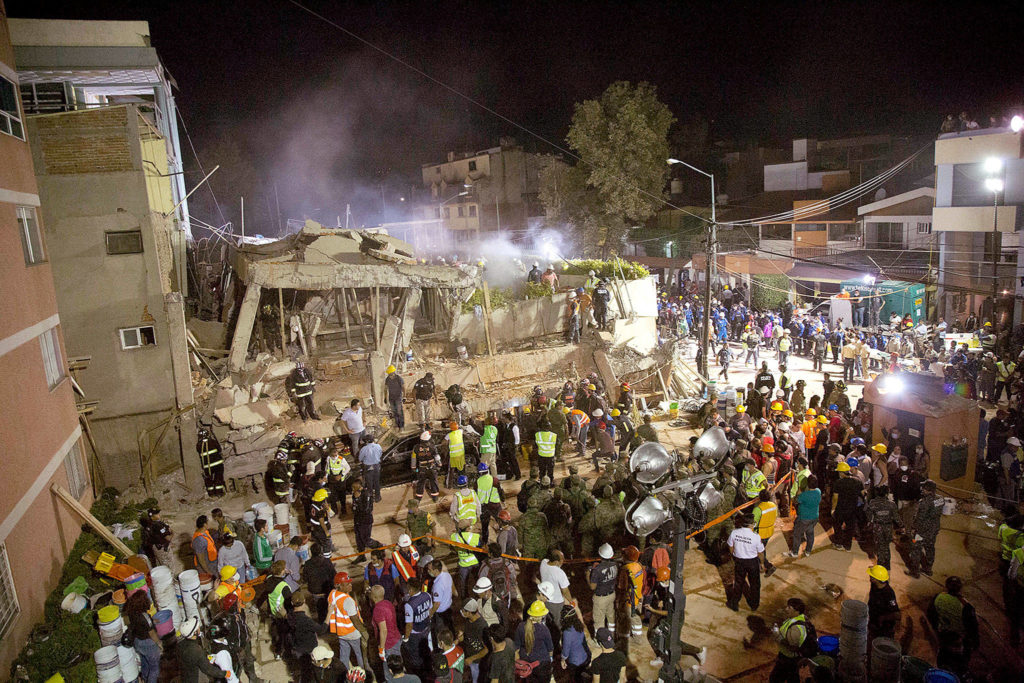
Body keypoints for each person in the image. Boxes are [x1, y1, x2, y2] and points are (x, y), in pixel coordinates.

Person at [927, 576, 979, 676]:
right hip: (959, 639)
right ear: (960, 588)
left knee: (943, 658)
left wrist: (937, 627)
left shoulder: (938, 597)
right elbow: (973, 626)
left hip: (943, 634)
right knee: (960, 664)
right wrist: (975, 642)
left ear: (946, 586)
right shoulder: (965, 606)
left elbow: (931, 614)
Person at [769, 598, 815, 683]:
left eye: (789, 608)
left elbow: (792, 647)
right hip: (792, 658)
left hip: (788, 658)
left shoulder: (796, 629)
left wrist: (777, 635)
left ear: (796, 611)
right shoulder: (798, 618)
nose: (786, 609)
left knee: (774, 679)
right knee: (792, 677)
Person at [327, 572, 367, 670]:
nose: (350, 585)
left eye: (350, 583)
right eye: (347, 584)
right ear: (338, 585)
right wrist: (364, 631)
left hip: (340, 632)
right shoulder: (347, 601)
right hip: (352, 632)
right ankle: (363, 673)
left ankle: (343, 674)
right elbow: (355, 620)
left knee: (344, 655)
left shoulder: (332, 594)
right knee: (360, 654)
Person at [726, 513, 764, 611]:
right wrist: (762, 563)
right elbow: (760, 552)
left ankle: (734, 603)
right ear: (751, 524)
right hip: (752, 562)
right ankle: (754, 605)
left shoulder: (734, 533)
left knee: (738, 582)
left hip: (739, 561)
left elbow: (730, 546)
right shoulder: (755, 536)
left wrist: (734, 555)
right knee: (755, 584)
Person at [907, 479, 944, 578]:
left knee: (916, 548)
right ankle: (928, 569)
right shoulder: (941, 499)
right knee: (930, 547)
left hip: (921, 531)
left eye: (924, 488)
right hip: (934, 529)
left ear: (929, 490)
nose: (922, 489)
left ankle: (915, 571)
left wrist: (914, 529)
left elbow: (920, 518)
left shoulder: (924, 502)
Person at [290, 591, 330, 680]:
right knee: (309, 673)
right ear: (304, 601)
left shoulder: (289, 616)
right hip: (308, 650)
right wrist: (329, 614)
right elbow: (321, 630)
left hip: (297, 648)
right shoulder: (306, 620)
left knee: (303, 669)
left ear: (292, 603)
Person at [178, 616, 229, 683]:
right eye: (198, 627)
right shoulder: (195, 650)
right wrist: (224, 674)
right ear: (195, 633)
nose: (199, 628)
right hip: (195, 678)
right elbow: (208, 669)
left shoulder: (181, 644)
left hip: (185, 675)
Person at [125, 591, 161, 683]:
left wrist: (153, 621)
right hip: (148, 644)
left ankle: (144, 679)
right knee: (155, 668)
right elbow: (152, 633)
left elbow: (137, 623)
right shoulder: (145, 616)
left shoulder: (131, 613)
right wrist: (160, 644)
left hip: (137, 642)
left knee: (145, 661)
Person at [515, 601, 554, 682]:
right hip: (542, 664)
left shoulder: (520, 626)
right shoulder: (544, 629)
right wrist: (550, 658)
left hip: (526, 664)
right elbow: (550, 649)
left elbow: (517, 648)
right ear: (541, 616)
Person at [865, 485, 901, 570]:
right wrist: (901, 526)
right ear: (886, 493)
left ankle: (880, 566)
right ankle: (887, 565)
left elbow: (869, 516)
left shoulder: (873, 502)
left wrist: (869, 522)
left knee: (879, 546)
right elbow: (896, 517)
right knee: (886, 546)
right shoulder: (891, 504)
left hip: (878, 527)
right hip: (888, 527)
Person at [831, 462, 862, 552]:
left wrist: (833, 509)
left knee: (837, 526)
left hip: (840, 509)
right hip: (852, 509)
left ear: (841, 472)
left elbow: (835, 497)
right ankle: (848, 546)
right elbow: (863, 493)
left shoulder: (838, 483)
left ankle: (839, 543)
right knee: (850, 528)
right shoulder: (857, 481)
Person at [539, 550, 573, 628]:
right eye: (562, 559)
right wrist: (571, 602)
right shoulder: (559, 572)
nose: (563, 561)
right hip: (556, 603)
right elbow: (565, 590)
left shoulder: (543, 563)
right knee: (557, 623)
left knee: (547, 620)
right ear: (556, 562)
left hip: (545, 598)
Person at [589, 543, 618, 635]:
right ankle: (612, 635)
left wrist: (587, 575)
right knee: (611, 616)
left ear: (600, 554)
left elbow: (592, 587)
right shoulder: (615, 565)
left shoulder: (597, 570)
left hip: (601, 598)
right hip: (612, 594)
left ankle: (600, 640)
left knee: (599, 619)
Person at [867, 565, 900, 640]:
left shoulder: (888, 594)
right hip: (873, 620)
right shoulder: (875, 584)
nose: (869, 577)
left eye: (871, 576)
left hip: (884, 627)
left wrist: (883, 618)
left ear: (876, 579)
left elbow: (897, 615)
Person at [752, 489, 778, 577]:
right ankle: (762, 565)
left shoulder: (758, 509)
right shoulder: (773, 505)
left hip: (760, 534)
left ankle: (768, 566)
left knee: (759, 551)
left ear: (759, 498)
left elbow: (752, 523)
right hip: (770, 531)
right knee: (762, 549)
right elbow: (775, 516)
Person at [196, 426, 226, 497]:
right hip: (217, 464)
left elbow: (199, 452)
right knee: (218, 477)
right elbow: (219, 450)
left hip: (207, 466)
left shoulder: (199, 445)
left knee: (209, 479)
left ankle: (211, 494)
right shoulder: (213, 441)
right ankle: (219, 493)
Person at [413, 431, 441, 502]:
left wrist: (414, 468)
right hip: (432, 468)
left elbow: (413, 459)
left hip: (422, 469)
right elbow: (437, 457)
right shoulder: (432, 447)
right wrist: (439, 465)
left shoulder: (416, 448)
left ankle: (418, 499)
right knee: (434, 482)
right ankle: (435, 498)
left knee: (420, 483)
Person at [351, 478, 375, 554]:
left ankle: (379, 546)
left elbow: (366, 510)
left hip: (365, 520)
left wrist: (358, 499)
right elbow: (354, 507)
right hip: (357, 520)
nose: (352, 489)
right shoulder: (354, 494)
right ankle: (361, 555)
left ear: (359, 486)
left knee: (366, 539)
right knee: (358, 540)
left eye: (354, 487)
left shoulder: (366, 494)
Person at [358, 434, 383, 502]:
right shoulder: (378, 446)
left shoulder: (364, 449)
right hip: (376, 466)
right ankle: (378, 497)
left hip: (368, 467)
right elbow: (380, 454)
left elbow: (360, 459)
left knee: (369, 483)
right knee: (377, 482)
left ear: (366, 441)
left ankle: (370, 497)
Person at [385, 365, 406, 429]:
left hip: (398, 398)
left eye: (389, 372)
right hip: (391, 398)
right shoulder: (387, 379)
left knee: (399, 412)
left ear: (393, 372)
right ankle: (397, 425)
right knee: (394, 412)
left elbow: (403, 388)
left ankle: (401, 426)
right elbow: (386, 389)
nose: (388, 374)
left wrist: (404, 397)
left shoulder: (399, 378)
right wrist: (385, 398)